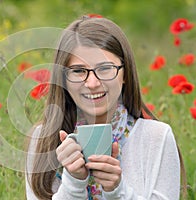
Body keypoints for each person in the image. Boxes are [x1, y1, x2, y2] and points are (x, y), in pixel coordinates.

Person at [25, 15, 186, 200]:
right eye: (78, 71)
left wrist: (117, 191)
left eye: (104, 68)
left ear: (125, 73)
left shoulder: (156, 137)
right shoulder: (43, 140)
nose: (92, 83)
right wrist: (74, 183)